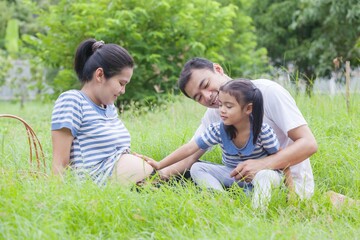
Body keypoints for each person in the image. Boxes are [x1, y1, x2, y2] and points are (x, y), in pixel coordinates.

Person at [159, 57, 318, 200]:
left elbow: (308, 143)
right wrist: (156, 174)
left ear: (218, 70)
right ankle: (225, 203)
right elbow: (190, 155)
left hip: (287, 185)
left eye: (206, 85)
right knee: (193, 172)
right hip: (242, 184)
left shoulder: (267, 92)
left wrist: (263, 164)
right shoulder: (216, 114)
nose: (207, 96)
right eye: (199, 97)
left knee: (263, 180)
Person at [142, 79, 293, 210]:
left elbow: (281, 159)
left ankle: (257, 212)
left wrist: (291, 190)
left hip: (263, 176)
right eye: (221, 105)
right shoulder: (217, 130)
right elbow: (189, 148)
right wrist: (159, 164)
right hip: (234, 176)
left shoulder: (262, 131)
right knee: (197, 167)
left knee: (264, 175)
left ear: (248, 108)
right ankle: (224, 201)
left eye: (228, 106)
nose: (222, 110)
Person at [51, 39, 153, 186]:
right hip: (101, 192)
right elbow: (59, 163)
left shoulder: (109, 107)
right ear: (99, 75)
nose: (123, 91)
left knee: (188, 169)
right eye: (121, 83)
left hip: (139, 185)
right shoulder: (72, 101)